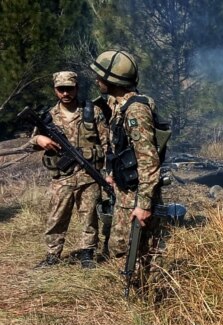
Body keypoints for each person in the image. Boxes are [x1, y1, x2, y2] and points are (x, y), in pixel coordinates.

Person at [89, 50, 163, 267]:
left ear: (114, 80)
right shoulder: (120, 106)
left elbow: (149, 161)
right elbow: (120, 147)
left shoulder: (135, 111)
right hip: (125, 191)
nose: (97, 81)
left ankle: (142, 295)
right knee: (121, 248)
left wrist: (144, 205)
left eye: (101, 77)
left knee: (133, 251)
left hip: (136, 195)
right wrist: (112, 173)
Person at [32, 71, 109, 269]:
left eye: (69, 88)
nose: (65, 93)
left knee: (89, 216)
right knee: (56, 217)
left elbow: (107, 144)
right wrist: (39, 139)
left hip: (89, 175)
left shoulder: (92, 112)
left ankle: (87, 253)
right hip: (62, 177)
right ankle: (52, 255)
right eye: (61, 89)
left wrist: (109, 174)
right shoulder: (48, 117)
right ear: (55, 90)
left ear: (77, 88)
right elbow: (33, 140)